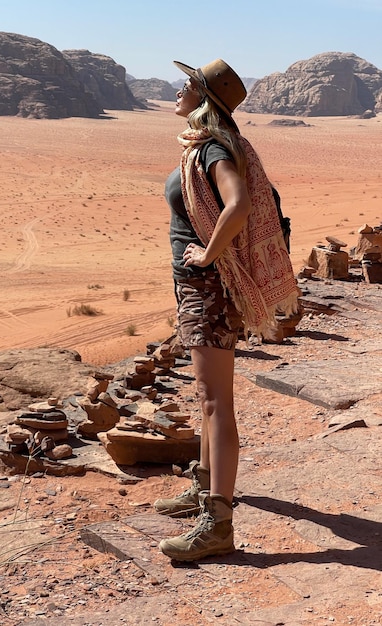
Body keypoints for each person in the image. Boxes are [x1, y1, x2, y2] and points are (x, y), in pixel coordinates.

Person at [154, 59, 299, 562]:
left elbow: (236, 206)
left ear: (205, 97)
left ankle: (217, 522)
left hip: (210, 286)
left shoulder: (214, 147)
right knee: (206, 396)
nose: (178, 91)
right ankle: (202, 490)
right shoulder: (203, 145)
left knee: (216, 401)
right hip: (198, 285)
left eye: (187, 85)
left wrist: (208, 254)